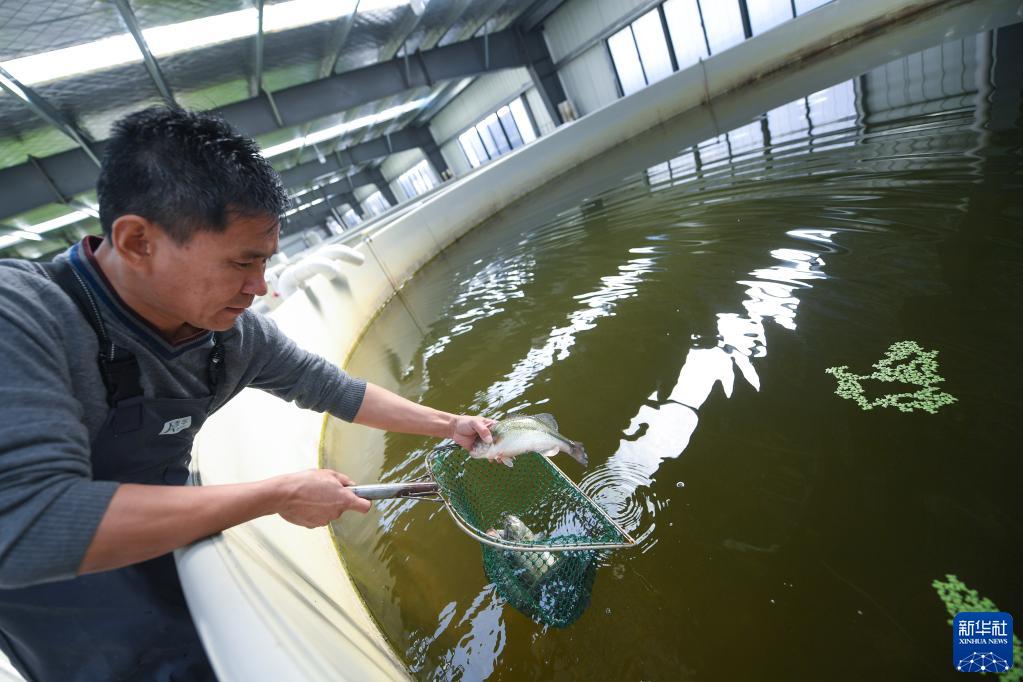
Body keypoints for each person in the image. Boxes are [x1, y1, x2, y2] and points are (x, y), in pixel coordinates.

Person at [0, 106, 494, 681]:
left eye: (265, 262)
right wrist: (278, 493)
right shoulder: (24, 315)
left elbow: (330, 387)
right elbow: (26, 526)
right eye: (242, 262)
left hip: (172, 545)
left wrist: (448, 424)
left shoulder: (229, 336)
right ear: (138, 241)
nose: (259, 287)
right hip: (69, 608)